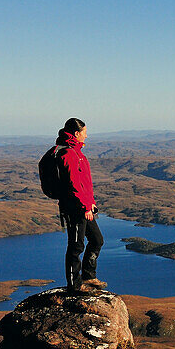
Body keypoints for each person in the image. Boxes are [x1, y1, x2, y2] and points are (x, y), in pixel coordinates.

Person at [56, 117, 106, 291]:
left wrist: (91, 203)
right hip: (74, 207)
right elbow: (74, 184)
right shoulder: (68, 154)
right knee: (76, 246)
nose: (87, 135)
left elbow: (85, 183)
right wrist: (85, 206)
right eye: (84, 132)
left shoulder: (78, 153)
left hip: (85, 206)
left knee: (97, 240)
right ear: (76, 134)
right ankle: (74, 285)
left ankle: (88, 277)